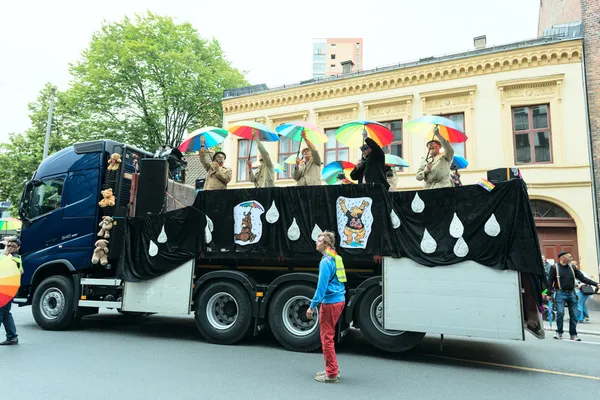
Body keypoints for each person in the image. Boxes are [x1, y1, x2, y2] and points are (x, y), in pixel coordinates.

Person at [306, 231, 346, 383]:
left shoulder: (325, 261)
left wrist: (312, 306)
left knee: (326, 338)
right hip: (339, 300)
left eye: (320, 240)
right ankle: (333, 369)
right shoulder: (335, 257)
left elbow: (321, 288)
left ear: (326, 244)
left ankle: (331, 374)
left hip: (330, 303)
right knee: (330, 336)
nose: (316, 242)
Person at [547, 251, 600, 341]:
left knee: (574, 315)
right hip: (560, 293)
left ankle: (573, 334)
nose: (571, 258)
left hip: (572, 293)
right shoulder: (554, 268)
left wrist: (596, 284)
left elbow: (583, 278)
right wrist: (549, 294)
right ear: (562, 258)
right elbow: (550, 281)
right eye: (569, 257)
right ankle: (559, 332)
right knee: (560, 313)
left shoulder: (572, 267)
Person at [0, 238, 23, 346]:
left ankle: (12, 336)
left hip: (6, 289)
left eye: (13, 246)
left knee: (1, 313)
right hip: (6, 288)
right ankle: (12, 337)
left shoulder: (15, 258)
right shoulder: (12, 257)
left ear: (18, 248)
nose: (10, 248)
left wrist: (5, 252)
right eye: (8, 246)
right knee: (5, 314)